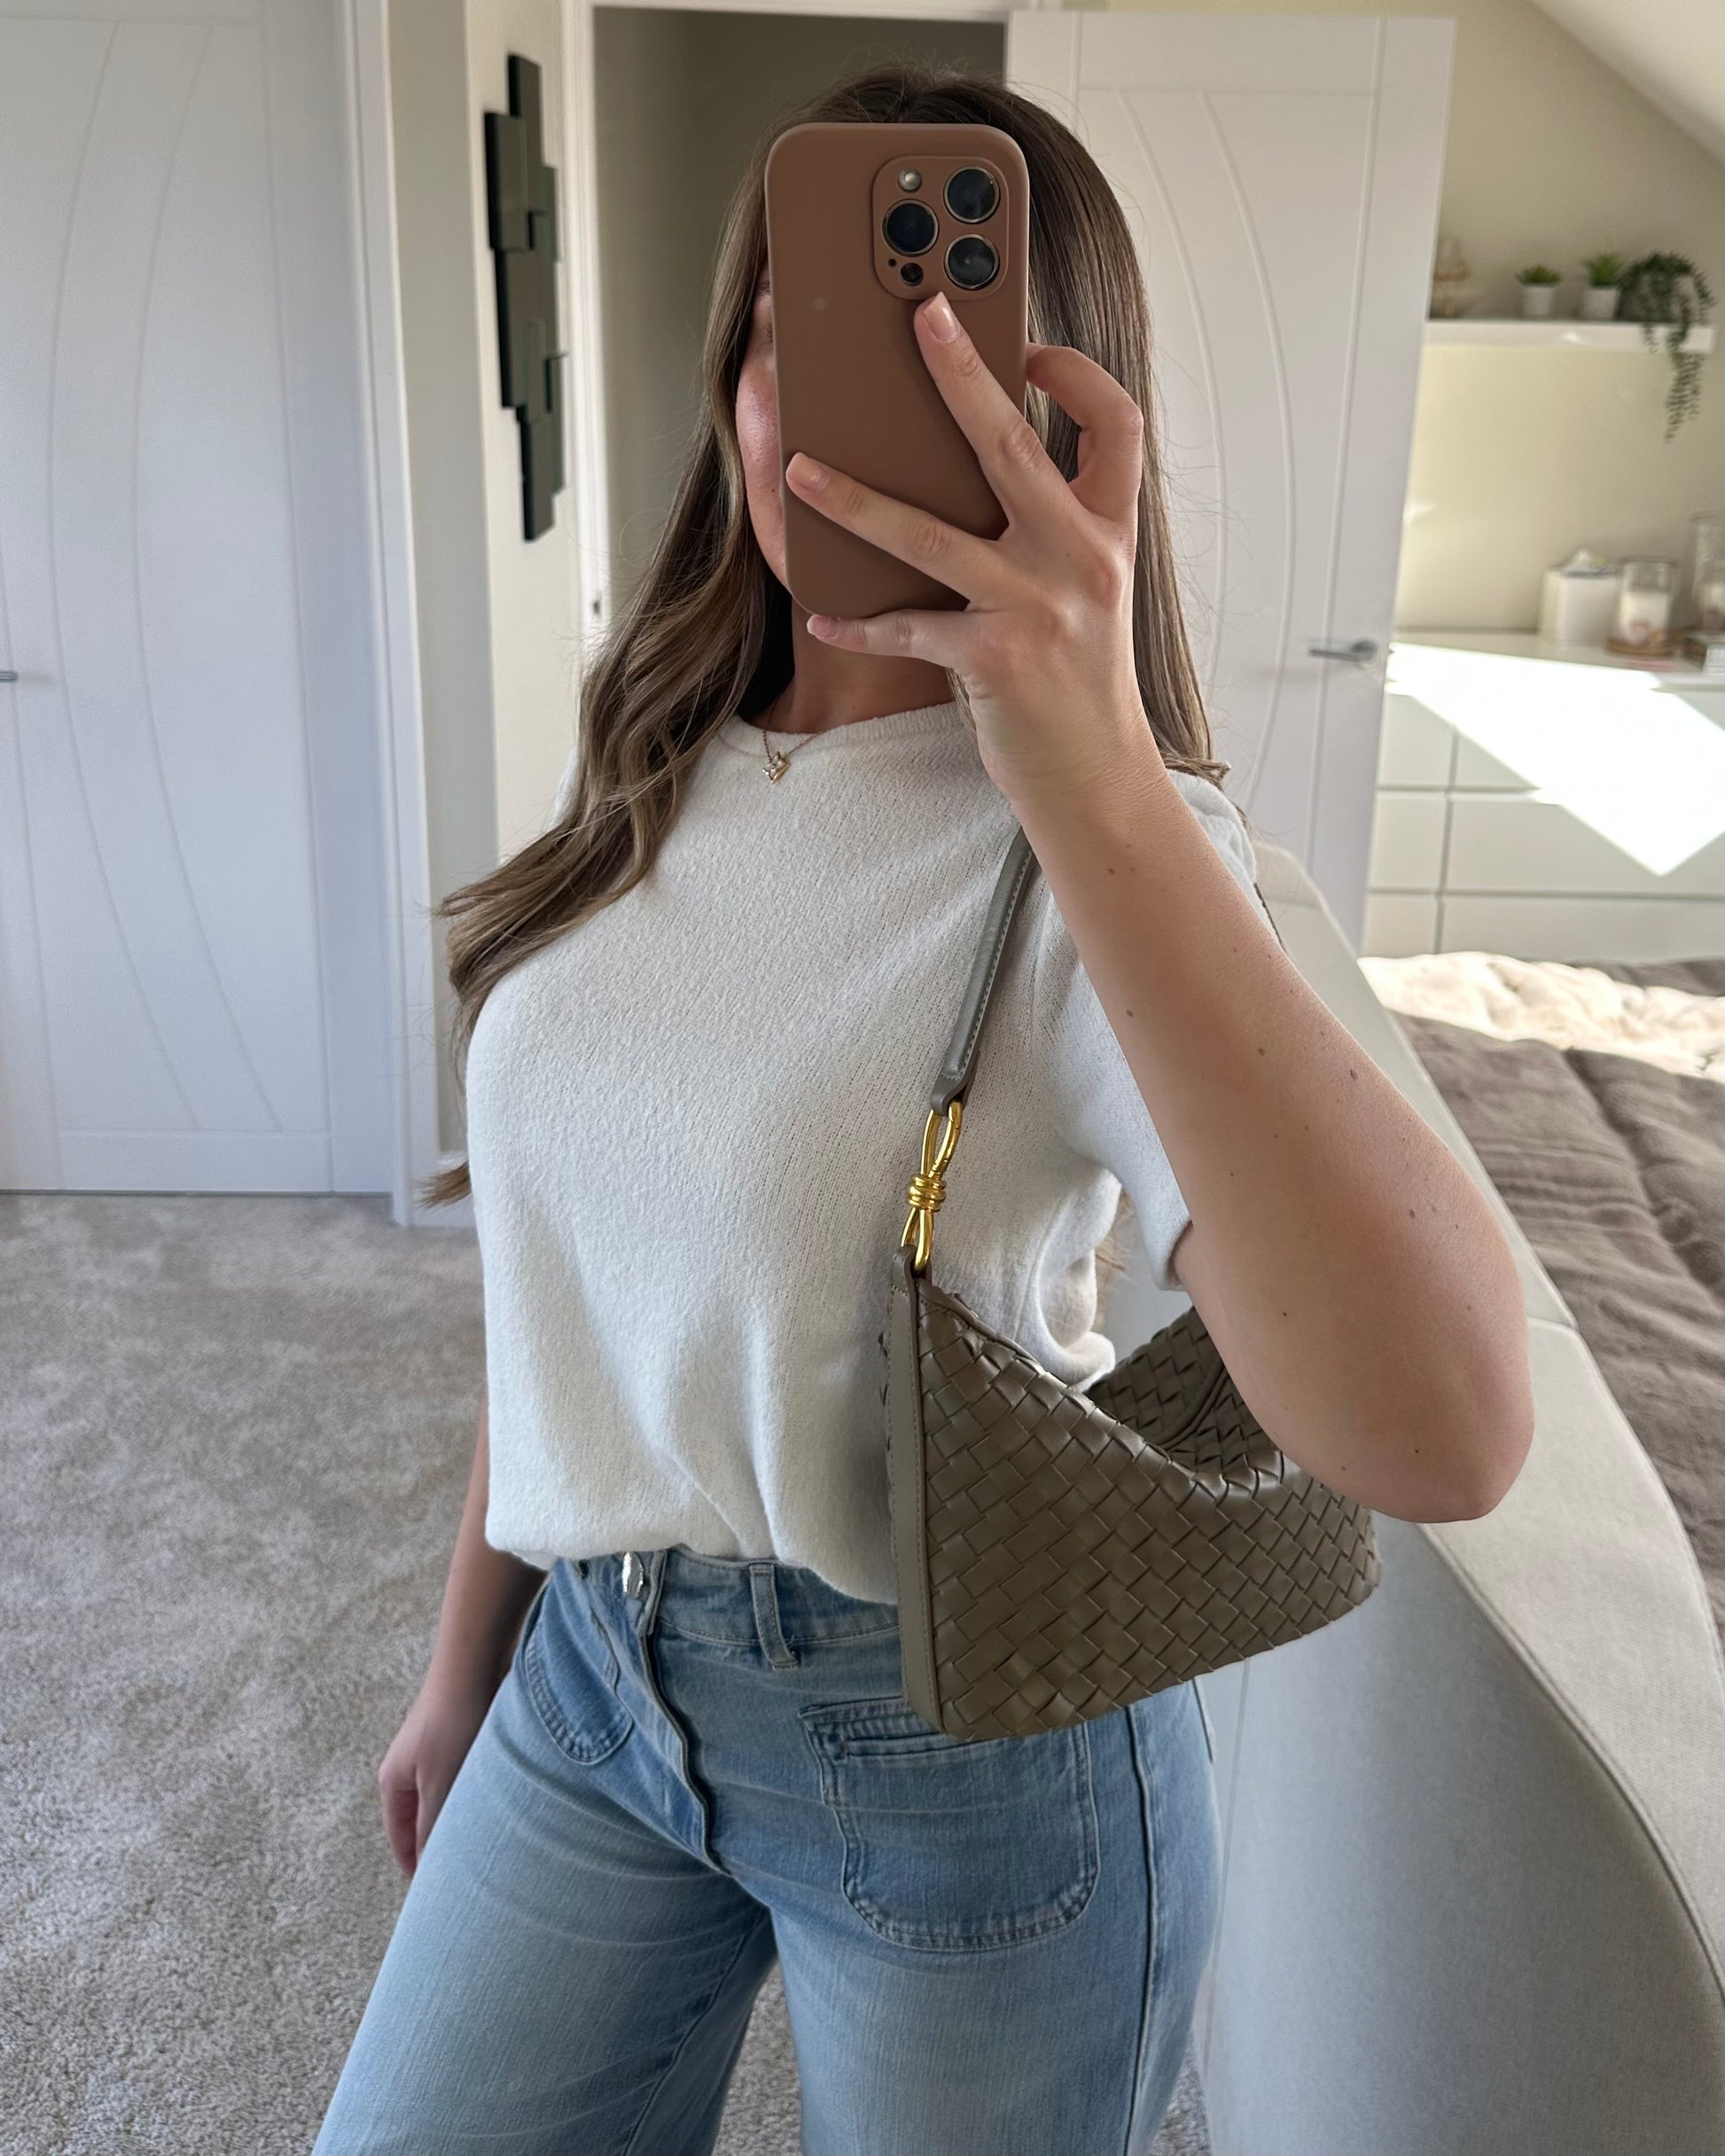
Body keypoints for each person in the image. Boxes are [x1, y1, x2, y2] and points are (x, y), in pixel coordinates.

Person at [311, 64, 1533, 2156]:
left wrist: (1091, 766)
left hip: (970, 1751)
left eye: (942, 357)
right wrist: (464, 1672)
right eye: (790, 334)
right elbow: (573, 1283)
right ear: (729, 388)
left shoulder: (1102, 858)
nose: (833, 404)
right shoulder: (654, 759)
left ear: (1060, 428)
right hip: (591, 1687)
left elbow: (1449, 1422)